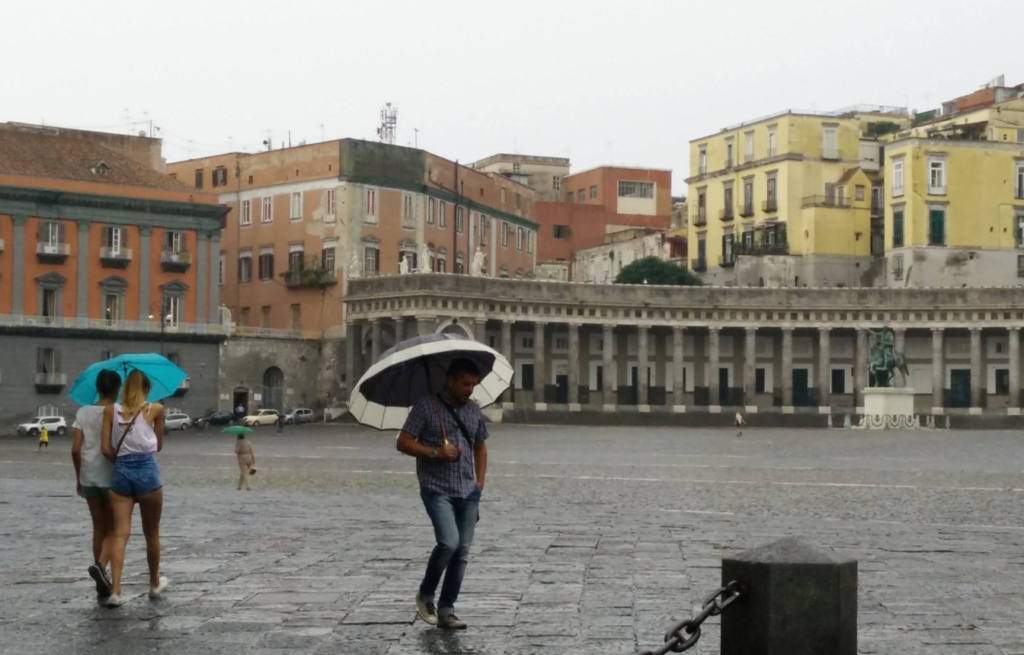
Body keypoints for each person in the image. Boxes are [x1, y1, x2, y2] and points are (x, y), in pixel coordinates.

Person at [396, 358, 489, 630]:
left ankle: (447, 609)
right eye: (465, 384)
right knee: (449, 542)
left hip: (467, 490)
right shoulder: (426, 406)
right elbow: (403, 441)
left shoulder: (473, 411)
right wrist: (435, 452)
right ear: (450, 381)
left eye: (473, 384)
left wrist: (479, 483)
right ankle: (426, 594)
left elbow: (480, 446)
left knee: (462, 552)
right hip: (437, 488)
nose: (470, 389)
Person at [100, 370, 169, 608]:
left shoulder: (111, 411)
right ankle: (153, 583)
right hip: (147, 471)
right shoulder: (156, 410)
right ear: (146, 390)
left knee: (120, 532)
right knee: (151, 532)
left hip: (121, 471)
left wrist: (120, 462)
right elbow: (158, 445)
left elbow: (105, 449)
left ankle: (116, 591)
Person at [71, 369, 122, 598]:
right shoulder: (117, 412)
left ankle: (100, 576)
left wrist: (79, 476)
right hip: (112, 475)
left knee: (98, 527)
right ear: (117, 389)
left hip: (89, 474)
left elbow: (75, 449)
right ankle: (103, 569)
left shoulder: (83, 412)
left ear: (97, 388)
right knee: (114, 529)